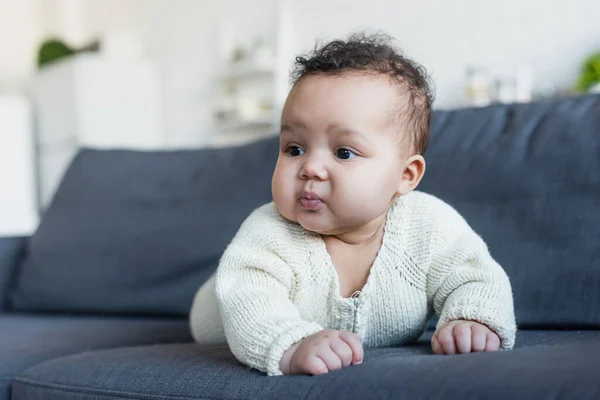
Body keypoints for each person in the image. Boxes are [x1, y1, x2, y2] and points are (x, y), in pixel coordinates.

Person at [189, 32, 516, 376]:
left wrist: (472, 317)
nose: (310, 168)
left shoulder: (428, 227)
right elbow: (250, 300)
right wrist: (291, 344)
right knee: (234, 288)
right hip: (220, 315)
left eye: (344, 152)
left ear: (406, 175)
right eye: (294, 148)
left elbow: (475, 276)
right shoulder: (269, 233)